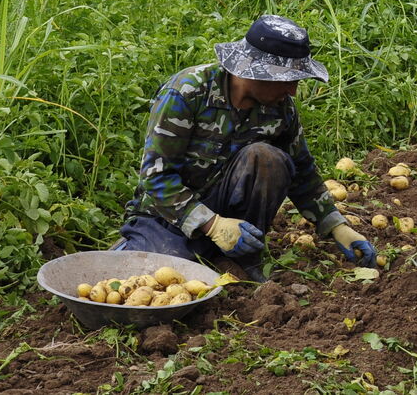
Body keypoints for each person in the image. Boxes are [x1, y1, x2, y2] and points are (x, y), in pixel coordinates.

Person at [117, 15, 376, 281]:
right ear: (253, 70)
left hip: (235, 220)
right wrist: (212, 224)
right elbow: (156, 176)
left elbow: (302, 170)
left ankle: (242, 255)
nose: (293, 91)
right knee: (157, 276)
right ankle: (159, 247)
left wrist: (335, 225)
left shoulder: (280, 109)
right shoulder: (187, 93)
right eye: (287, 80)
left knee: (266, 158)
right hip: (168, 217)